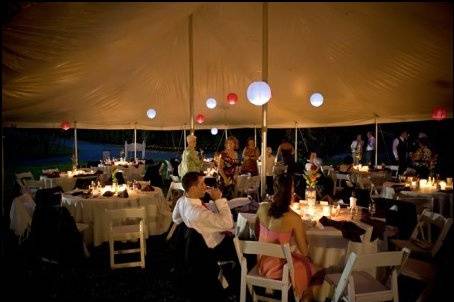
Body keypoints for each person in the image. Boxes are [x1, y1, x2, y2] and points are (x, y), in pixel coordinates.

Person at [172, 172, 238, 298]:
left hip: (196, 243)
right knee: (241, 239)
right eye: (201, 184)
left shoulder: (182, 201)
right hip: (213, 246)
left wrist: (191, 224)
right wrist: (218, 199)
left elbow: (176, 219)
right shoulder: (198, 213)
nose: (205, 186)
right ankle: (234, 281)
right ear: (192, 188)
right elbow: (228, 224)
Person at [256, 174, 320, 301]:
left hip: (260, 264)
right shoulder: (294, 218)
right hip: (278, 269)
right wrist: (302, 229)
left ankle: (302, 295)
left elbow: (257, 232)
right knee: (313, 267)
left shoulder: (262, 207)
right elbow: (305, 251)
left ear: (274, 189)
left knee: (300, 263)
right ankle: (304, 296)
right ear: (291, 192)